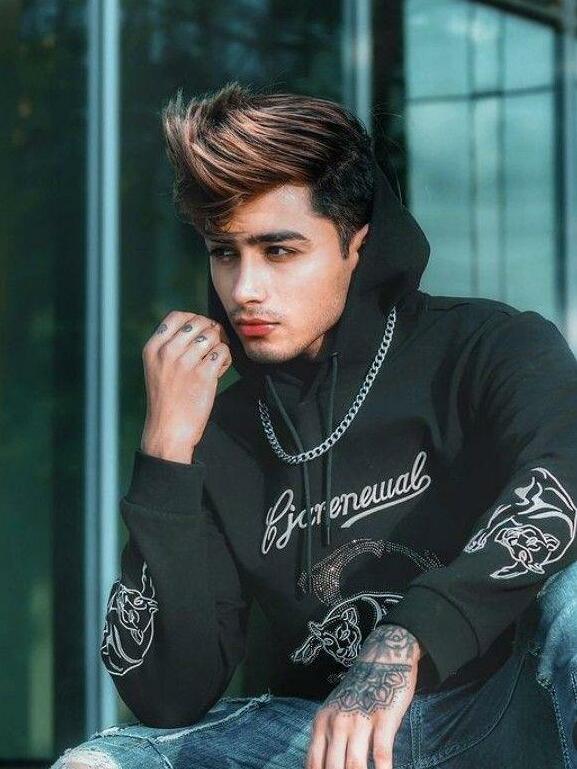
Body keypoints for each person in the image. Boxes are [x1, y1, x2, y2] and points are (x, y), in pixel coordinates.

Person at [52, 82, 577, 769]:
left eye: (278, 251)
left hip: (505, 714)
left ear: (357, 243)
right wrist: (165, 453)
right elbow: (167, 693)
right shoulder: (221, 432)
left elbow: (559, 489)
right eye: (224, 252)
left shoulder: (488, 348)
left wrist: (407, 638)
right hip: (323, 739)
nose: (244, 289)